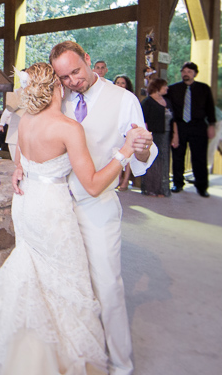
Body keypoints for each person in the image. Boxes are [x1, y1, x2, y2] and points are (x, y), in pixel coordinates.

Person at [0, 63, 145, 375]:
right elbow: (93, 185)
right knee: (65, 280)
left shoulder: (26, 120)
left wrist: (19, 170)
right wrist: (123, 152)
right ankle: (56, 361)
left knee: (33, 273)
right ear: (57, 87)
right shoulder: (68, 127)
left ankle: (26, 354)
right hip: (52, 208)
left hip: (26, 202)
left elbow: (20, 158)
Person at [49, 41, 155, 375]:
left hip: (98, 205)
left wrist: (141, 148)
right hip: (59, 208)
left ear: (89, 61)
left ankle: (121, 364)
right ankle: (80, 355)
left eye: (76, 72)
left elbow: (142, 159)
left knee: (108, 286)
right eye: (63, 77)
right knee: (69, 285)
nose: (72, 82)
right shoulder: (58, 99)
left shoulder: (124, 100)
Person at [166, 61, 216, 197]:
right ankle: (177, 183)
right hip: (179, 126)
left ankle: (202, 187)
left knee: (199, 157)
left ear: (195, 73)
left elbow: (210, 108)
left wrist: (212, 125)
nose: (185, 74)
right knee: (177, 156)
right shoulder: (173, 89)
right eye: (184, 71)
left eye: (189, 71)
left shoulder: (204, 88)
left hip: (198, 126)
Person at [140, 78, 175, 197]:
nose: (167, 88)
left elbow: (173, 120)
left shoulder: (167, 101)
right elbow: (143, 120)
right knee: (153, 161)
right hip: (153, 135)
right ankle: (151, 189)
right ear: (157, 87)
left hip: (166, 135)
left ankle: (163, 189)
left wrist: (175, 135)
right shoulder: (147, 102)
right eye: (164, 86)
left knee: (164, 161)